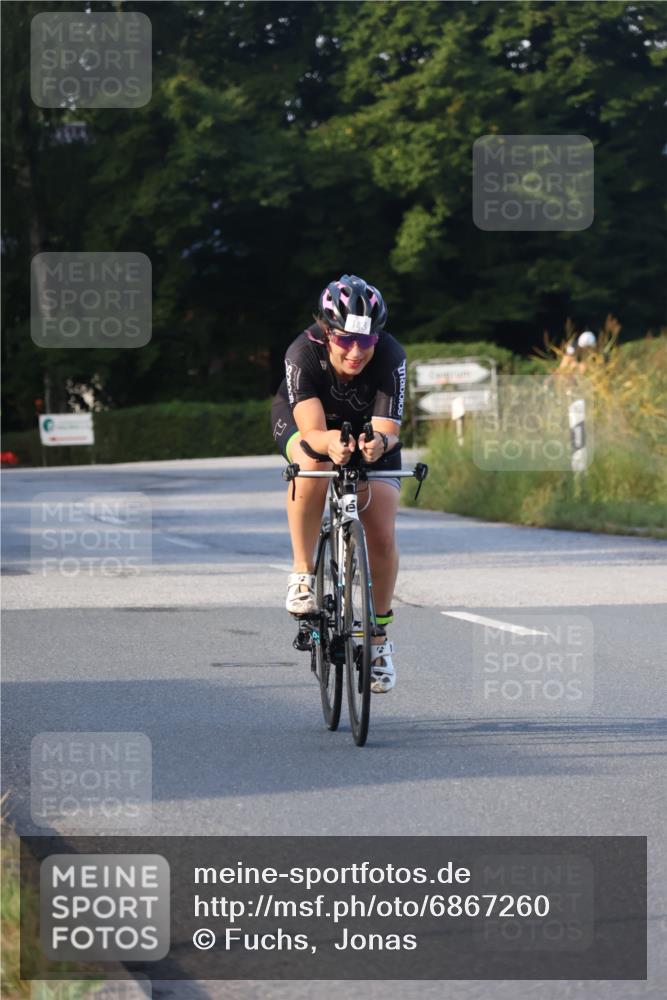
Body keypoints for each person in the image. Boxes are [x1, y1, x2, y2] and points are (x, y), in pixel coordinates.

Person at [271, 274, 407, 694]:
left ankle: (378, 638)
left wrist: (377, 444)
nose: (355, 352)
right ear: (327, 333)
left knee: (381, 531)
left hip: (366, 430)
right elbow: (313, 433)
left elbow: (389, 431)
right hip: (309, 425)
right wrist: (331, 443)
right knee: (312, 463)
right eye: (346, 340)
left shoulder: (391, 356)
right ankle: (302, 574)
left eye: (365, 342)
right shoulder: (302, 353)